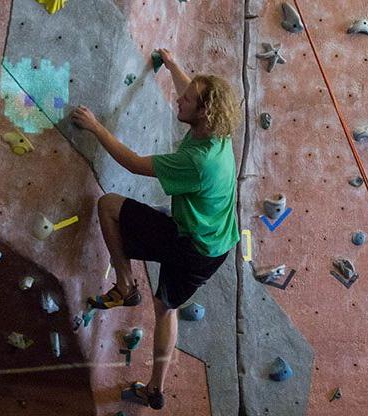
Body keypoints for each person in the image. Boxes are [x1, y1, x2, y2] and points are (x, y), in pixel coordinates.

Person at [70, 48, 241, 410]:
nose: (180, 101)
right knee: (166, 307)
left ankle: (125, 284)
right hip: (217, 245)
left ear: (203, 112)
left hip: (190, 242)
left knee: (109, 206)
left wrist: (95, 126)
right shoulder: (220, 132)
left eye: (187, 100)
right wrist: (174, 65)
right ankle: (155, 390)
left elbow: (133, 164)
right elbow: (195, 95)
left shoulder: (195, 161)